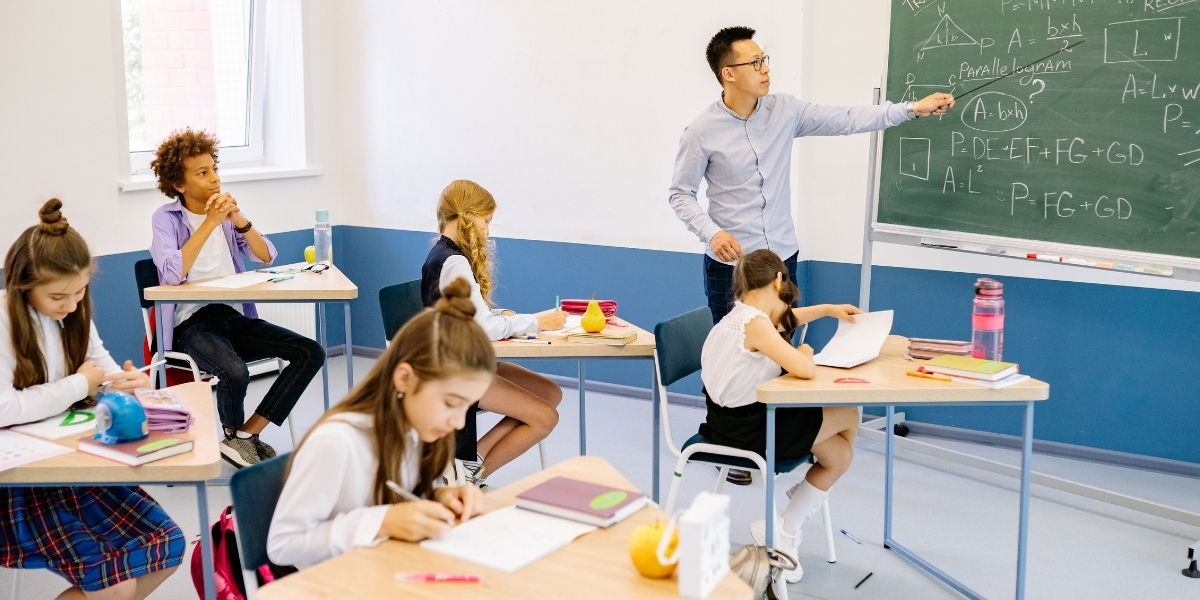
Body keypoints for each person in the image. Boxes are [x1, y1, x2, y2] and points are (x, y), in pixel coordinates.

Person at [669, 26, 952, 485]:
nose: (765, 69)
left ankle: (781, 437)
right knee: (732, 355)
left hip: (780, 258)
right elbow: (680, 194)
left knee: (779, 345)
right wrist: (710, 231)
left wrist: (911, 109)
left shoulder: (785, 111)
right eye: (754, 63)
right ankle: (731, 446)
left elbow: (846, 118)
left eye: (765, 59)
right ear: (728, 74)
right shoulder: (701, 132)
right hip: (732, 267)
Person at [0, 199, 183, 599]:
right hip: (20, 481)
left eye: (80, 291)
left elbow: (105, 371)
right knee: (113, 584)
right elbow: (5, 408)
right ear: (23, 286)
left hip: (72, 464)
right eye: (57, 296)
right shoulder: (4, 322)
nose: (71, 305)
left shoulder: (73, 313)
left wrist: (131, 383)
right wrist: (80, 385)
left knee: (167, 545)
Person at [268, 278, 490, 569]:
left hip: (384, 570)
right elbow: (283, 545)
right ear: (405, 378)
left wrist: (440, 497)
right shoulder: (336, 442)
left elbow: (399, 495)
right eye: (450, 403)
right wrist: (383, 522)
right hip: (335, 581)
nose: (459, 423)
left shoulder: (419, 428)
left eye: (467, 407)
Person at [148, 128, 326, 468]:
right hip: (191, 325)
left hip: (232, 317)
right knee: (235, 371)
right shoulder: (165, 219)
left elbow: (266, 256)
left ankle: (244, 436)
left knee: (310, 352)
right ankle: (235, 439)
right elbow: (171, 273)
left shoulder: (228, 219)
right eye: (202, 173)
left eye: (214, 169)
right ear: (179, 184)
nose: (214, 179)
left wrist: (239, 221)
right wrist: (209, 222)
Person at [699, 249, 862, 583]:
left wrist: (829, 310)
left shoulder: (738, 317)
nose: (786, 309)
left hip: (725, 425)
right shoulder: (756, 325)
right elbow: (804, 368)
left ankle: (785, 528)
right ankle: (796, 511)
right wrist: (805, 351)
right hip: (749, 434)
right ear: (778, 280)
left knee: (840, 455)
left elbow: (787, 319)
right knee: (848, 412)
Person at [421, 180, 566, 489]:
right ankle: (467, 482)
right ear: (468, 216)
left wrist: (501, 315)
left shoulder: (445, 255)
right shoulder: (454, 261)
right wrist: (536, 322)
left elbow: (469, 317)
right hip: (457, 373)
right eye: (485, 221)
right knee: (546, 417)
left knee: (550, 393)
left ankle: (469, 466)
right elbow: (483, 329)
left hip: (465, 362)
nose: (487, 230)